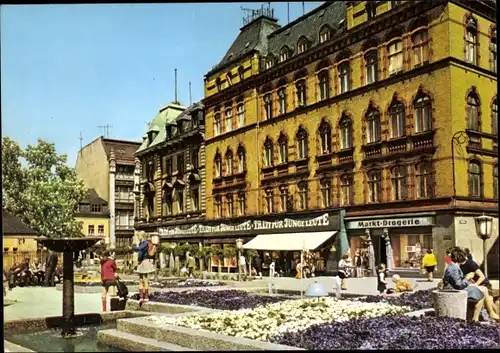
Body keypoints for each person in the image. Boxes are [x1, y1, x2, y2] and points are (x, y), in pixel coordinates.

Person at [441, 247, 489, 322]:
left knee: (478, 291)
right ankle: (475, 319)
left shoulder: (452, 264)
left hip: (451, 289)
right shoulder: (454, 267)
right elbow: (458, 285)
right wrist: (467, 278)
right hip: (453, 291)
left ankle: (473, 317)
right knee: (480, 295)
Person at [460, 255, 499, 319]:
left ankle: (495, 315)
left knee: (489, 300)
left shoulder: (470, 263)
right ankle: (493, 314)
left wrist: (475, 285)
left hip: (483, 283)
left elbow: (482, 277)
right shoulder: (456, 265)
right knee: (486, 297)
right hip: (474, 286)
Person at [130, 232, 156, 303]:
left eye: (138, 236)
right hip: (141, 262)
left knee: (145, 279)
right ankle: (141, 297)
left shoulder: (145, 243)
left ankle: (146, 297)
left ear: (142, 236)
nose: (138, 237)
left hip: (145, 261)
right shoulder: (142, 243)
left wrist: (132, 247)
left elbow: (139, 249)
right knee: (141, 279)